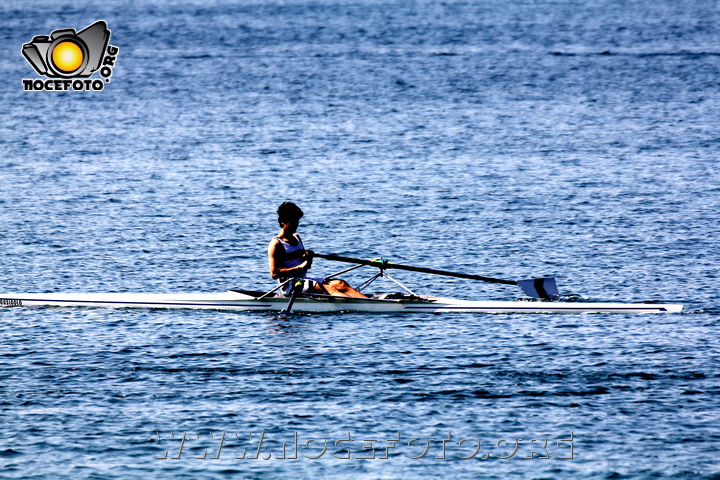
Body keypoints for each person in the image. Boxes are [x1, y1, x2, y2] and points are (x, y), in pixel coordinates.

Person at [268, 202, 366, 298]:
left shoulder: (297, 237)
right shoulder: (276, 243)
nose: (296, 224)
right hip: (290, 285)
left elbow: (307, 266)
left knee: (341, 283)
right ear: (282, 221)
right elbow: (274, 274)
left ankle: (369, 302)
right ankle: (358, 305)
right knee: (329, 289)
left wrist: (308, 259)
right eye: (293, 221)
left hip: (303, 280)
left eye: (297, 221)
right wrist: (299, 267)